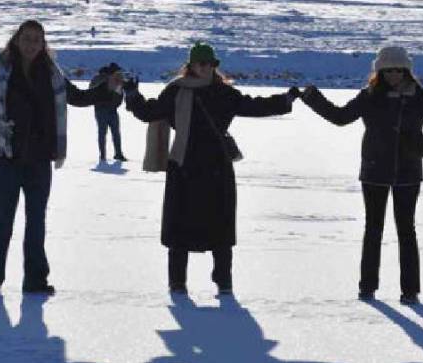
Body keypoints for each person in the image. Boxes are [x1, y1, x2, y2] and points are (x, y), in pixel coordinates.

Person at [300, 45, 423, 305]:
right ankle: (367, 287)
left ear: (407, 71)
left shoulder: (418, 96)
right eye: (388, 70)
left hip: (409, 172)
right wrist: (313, 97)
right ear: (379, 72)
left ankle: (410, 290)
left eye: (399, 69)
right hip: (374, 171)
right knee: (373, 229)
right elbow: (340, 117)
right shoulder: (369, 96)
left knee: (407, 230)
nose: (394, 74)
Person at [122, 42, 300, 295]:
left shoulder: (223, 93)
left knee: (221, 229)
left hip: (216, 166)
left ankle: (223, 281)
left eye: (211, 64)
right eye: (202, 64)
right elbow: (151, 113)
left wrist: (284, 100)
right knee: (179, 229)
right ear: (191, 65)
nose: (207, 68)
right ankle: (177, 281)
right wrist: (132, 96)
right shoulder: (176, 91)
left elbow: (252, 106)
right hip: (184, 165)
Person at [0, 19, 111, 295]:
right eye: (27, 38)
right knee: (4, 218)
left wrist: (109, 89)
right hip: (5, 156)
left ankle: (35, 280)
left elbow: (80, 98)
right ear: (17, 40)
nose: (32, 44)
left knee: (36, 221)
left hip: (39, 159)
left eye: (38, 39)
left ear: (44, 43)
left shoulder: (52, 74)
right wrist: (0, 104)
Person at [89, 62, 127, 162]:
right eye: (117, 71)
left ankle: (113, 154)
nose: (119, 73)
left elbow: (119, 96)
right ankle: (106, 155)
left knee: (111, 133)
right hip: (103, 110)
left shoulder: (115, 80)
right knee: (107, 133)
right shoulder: (100, 79)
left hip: (108, 110)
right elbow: (91, 92)